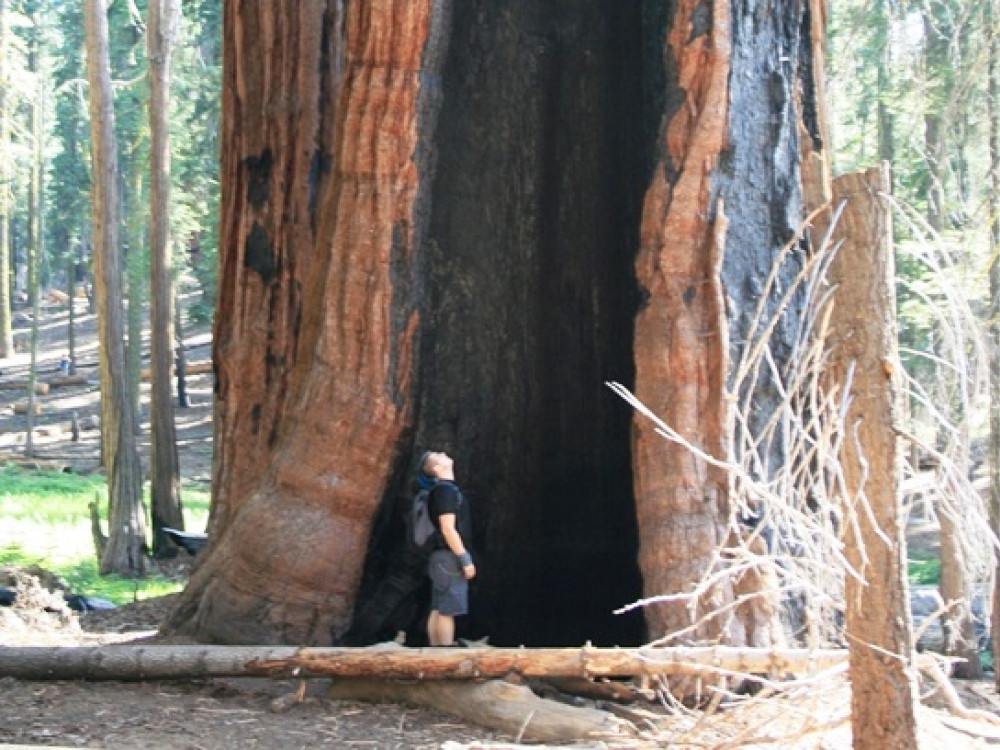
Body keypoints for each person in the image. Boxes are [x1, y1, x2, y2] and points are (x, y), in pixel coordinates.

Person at [418, 450, 475, 646]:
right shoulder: (445, 491)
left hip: (440, 557)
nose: (443, 452)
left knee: (438, 606)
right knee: (448, 608)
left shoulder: (441, 490)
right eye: (438, 455)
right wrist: (465, 559)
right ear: (436, 468)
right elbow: (448, 528)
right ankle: (444, 652)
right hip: (449, 558)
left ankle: (435, 653)